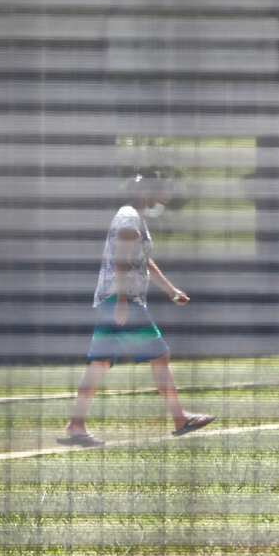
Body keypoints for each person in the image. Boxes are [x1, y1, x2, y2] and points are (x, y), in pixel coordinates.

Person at [58, 173, 216, 447]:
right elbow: (122, 259)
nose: (165, 194)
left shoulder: (133, 217)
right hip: (124, 301)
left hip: (115, 300)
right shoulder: (130, 218)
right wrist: (121, 302)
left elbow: (143, 261)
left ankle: (76, 426)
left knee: (99, 363)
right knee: (160, 355)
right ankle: (180, 419)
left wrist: (171, 290)